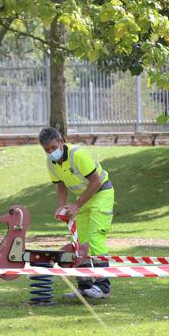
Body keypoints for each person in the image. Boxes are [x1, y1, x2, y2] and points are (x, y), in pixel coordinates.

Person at [38, 127, 114, 299]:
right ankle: (85, 286)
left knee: (95, 238)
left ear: (61, 141)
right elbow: (61, 185)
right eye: (46, 150)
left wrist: (77, 205)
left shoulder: (78, 154)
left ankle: (103, 287)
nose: (51, 152)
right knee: (80, 242)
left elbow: (96, 181)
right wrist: (63, 206)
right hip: (84, 198)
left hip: (101, 193)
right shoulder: (51, 162)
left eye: (53, 147)